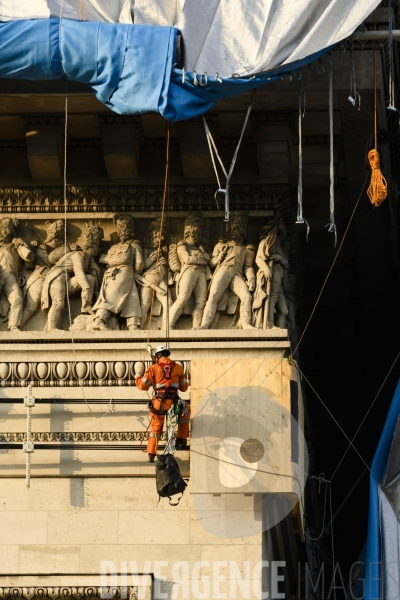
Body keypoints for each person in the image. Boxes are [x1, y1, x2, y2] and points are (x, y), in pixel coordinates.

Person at [135, 345, 190, 462]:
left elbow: (142, 386)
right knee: (186, 410)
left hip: (159, 403)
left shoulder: (153, 368)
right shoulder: (178, 367)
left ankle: (151, 453)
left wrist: (138, 376)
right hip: (174, 403)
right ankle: (181, 439)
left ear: (157, 356)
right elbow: (184, 388)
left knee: (156, 426)